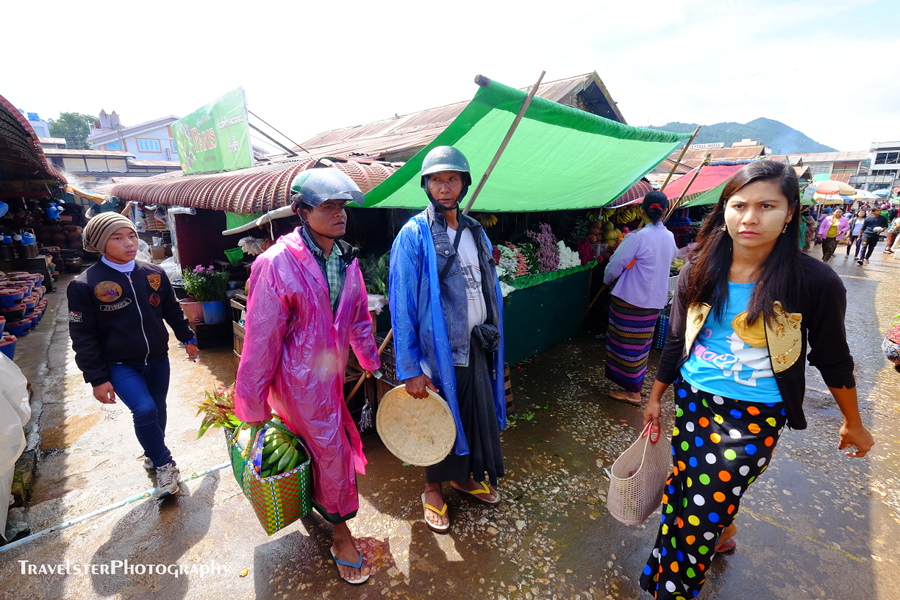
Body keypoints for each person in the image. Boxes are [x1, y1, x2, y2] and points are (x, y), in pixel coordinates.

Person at [640, 160, 874, 600]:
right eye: (739, 205)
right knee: (686, 488)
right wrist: (656, 396)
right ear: (724, 209)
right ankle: (721, 533)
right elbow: (677, 341)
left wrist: (853, 422)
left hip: (754, 418)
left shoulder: (814, 282)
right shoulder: (698, 271)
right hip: (694, 401)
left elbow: (834, 359)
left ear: (789, 213)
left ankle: (671, 589)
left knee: (698, 514)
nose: (749, 218)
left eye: (766, 205)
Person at [234, 169, 381, 585]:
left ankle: (322, 513)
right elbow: (260, 338)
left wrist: (369, 360)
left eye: (342, 206)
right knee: (332, 453)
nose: (339, 214)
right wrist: (251, 404)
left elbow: (358, 317)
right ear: (301, 211)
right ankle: (341, 536)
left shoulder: (345, 258)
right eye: (328, 206)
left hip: (331, 375)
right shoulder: (276, 264)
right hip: (297, 382)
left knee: (322, 451)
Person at [389, 145, 506, 534]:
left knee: (470, 414)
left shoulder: (475, 231)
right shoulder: (413, 234)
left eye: (452, 178)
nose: (444, 187)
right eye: (436, 179)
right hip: (436, 349)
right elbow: (402, 302)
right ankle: (433, 490)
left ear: (464, 183)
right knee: (436, 418)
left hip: (475, 342)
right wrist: (409, 368)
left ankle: (464, 476)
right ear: (425, 185)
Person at [67, 212, 198, 498]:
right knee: (145, 409)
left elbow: (171, 310)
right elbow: (82, 336)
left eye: (131, 236)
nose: (128, 243)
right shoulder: (85, 284)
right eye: (117, 238)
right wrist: (96, 378)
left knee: (158, 408)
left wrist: (187, 337)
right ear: (102, 243)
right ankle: (165, 464)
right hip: (119, 364)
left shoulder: (152, 273)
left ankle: (153, 452)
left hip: (158, 359)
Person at [602, 191, 677, 405]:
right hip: (654, 302)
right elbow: (669, 258)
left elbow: (615, 265)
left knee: (624, 345)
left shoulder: (637, 237)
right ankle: (636, 385)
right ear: (664, 212)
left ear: (642, 210)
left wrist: (607, 280)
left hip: (630, 300)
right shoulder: (669, 237)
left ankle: (633, 393)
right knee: (640, 346)